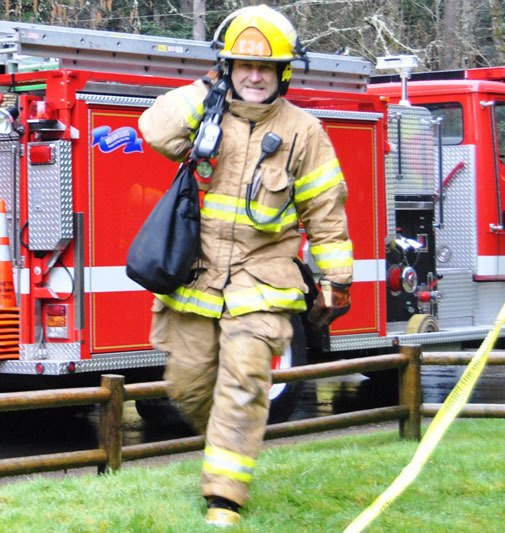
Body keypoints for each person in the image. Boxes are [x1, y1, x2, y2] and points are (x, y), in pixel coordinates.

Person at [138, 4, 353, 527]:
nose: (254, 76)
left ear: (283, 73)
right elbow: (153, 128)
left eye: (265, 68)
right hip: (197, 277)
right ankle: (230, 439)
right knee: (188, 385)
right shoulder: (205, 115)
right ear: (228, 69)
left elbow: (326, 212)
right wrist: (206, 86)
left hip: (264, 281)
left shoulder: (304, 132)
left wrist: (337, 280)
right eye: (242, 66)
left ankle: (224, 498)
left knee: (246, 381)